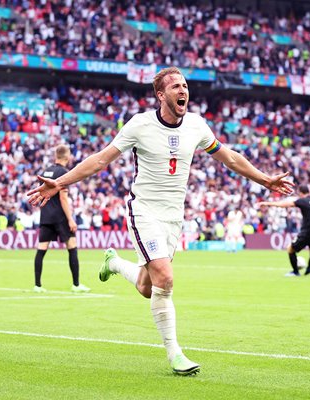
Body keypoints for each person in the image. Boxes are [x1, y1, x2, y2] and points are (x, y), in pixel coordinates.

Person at [27, 67, 294, 376]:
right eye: (176, 86)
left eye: (185, 85)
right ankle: (175, 354)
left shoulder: (196, 126)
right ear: (161, 95)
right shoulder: (139, 125)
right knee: (165, 278)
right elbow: (100, 160)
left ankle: (113, 264)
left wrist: (264, 180)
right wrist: (60, 183)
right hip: (143, 210)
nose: (183, 90)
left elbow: (230, 157)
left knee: (147, 286)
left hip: (172, 217)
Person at [33, 144, 90, 294]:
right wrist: (70, 219)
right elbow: (63, 198)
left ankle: (37, 285)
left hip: (46, 215)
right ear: (67, 156)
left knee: (41, 249)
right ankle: (76, 285)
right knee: (72, 247)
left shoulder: (45, 171)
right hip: (60, 216)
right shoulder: (63, 173)